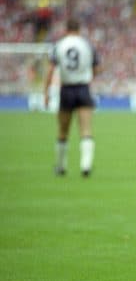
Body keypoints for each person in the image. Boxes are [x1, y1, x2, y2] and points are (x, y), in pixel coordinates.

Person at [44, 18, 100, 177]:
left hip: (66, 88)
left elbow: (50, 71)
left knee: (63, 130)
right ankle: (85, 166)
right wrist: (89, 76)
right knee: (86, 129)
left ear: (66, 29)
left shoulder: (59, 45)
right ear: (79, 29)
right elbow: (96, 67)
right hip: (83, 88)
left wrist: (46, 93)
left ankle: (61, 167)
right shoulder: (87, 45)